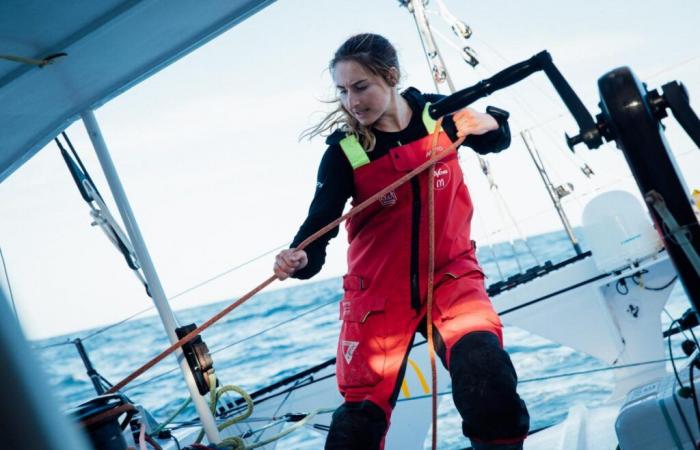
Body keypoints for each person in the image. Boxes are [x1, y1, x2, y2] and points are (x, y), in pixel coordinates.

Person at [273, 33, 529, 450]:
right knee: (356, 427)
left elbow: (494, 139)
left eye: (361, 87)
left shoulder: (438, 114)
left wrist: (492, 121)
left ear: (390, 77)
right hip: (378, 297)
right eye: (342, 91)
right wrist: (300, 257)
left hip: (452, 277)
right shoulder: (345, 152)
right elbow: (319, 227)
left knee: (486, 374)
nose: (352, 102)